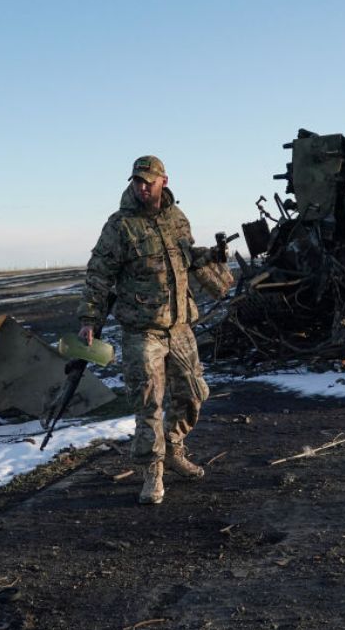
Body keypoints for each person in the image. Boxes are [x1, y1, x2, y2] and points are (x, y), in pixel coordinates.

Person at [77, 155, 233, 505]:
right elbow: (98, 274)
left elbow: (186, 257)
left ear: (164, 180)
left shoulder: (177, 218)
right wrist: (89, 320)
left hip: (179, 327)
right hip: (141, 330)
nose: (142, 186)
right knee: (148, 404)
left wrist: (210, 258)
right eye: (137, 181)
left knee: (194, 394)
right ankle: (153, 472)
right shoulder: (120, 226)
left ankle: (175, 448)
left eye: (148, 180)